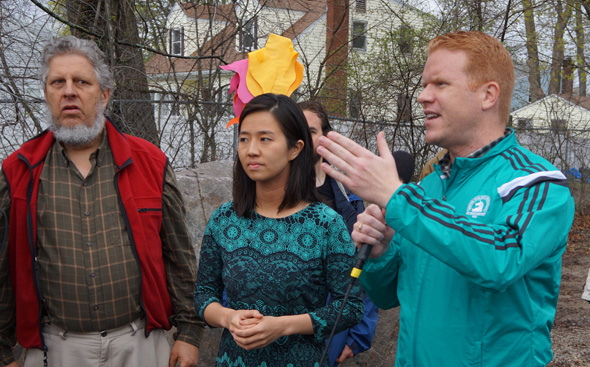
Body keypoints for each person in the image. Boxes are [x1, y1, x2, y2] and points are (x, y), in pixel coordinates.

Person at [316, 31, 575, 366]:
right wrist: (380, 253)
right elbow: (387, 294)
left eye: (439, 84)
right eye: (424, 85)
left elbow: (502, 260)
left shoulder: (536, 183)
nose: (423, 96)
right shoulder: (427, 189)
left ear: (488, 95)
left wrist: (396, 197)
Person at [0, 36, 203, 367]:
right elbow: (4, 269)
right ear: (47, 93)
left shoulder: (149, 162)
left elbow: (179, 256)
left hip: (139, 342)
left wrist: (189, 334)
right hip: (56, 347)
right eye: (57, 82)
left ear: (104, 94)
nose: (69, 91)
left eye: (81, 81)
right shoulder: (18, 171)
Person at [193, 93, 364, 367]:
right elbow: (203, 294)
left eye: (265, 139)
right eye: (244, 138)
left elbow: (351, 308)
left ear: (295, 149)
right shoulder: (224, 219)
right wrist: (227, 317)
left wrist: (283, 326)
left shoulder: (326, 224)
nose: (251, 150)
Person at [298, 100, 378, 366]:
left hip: (330, 338)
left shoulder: (351, 202)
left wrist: (357, 336)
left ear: (325, 138)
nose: (301, 137)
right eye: (294, 129)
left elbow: (363, 273)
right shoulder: (267, 198)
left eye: (310, 131)